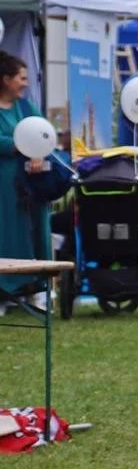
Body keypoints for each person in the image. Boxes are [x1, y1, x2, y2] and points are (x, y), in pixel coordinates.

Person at [0, 51, 50, 302]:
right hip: (4, 186)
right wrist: (20, 144)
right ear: (6, 80)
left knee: (36, 231)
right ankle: (4, 292)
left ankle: (36, 290)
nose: (26, 82)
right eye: (21, 77)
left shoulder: (26, 106)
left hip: (32, 183)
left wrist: (39, 152)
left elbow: (42, 132)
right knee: (7, 234)